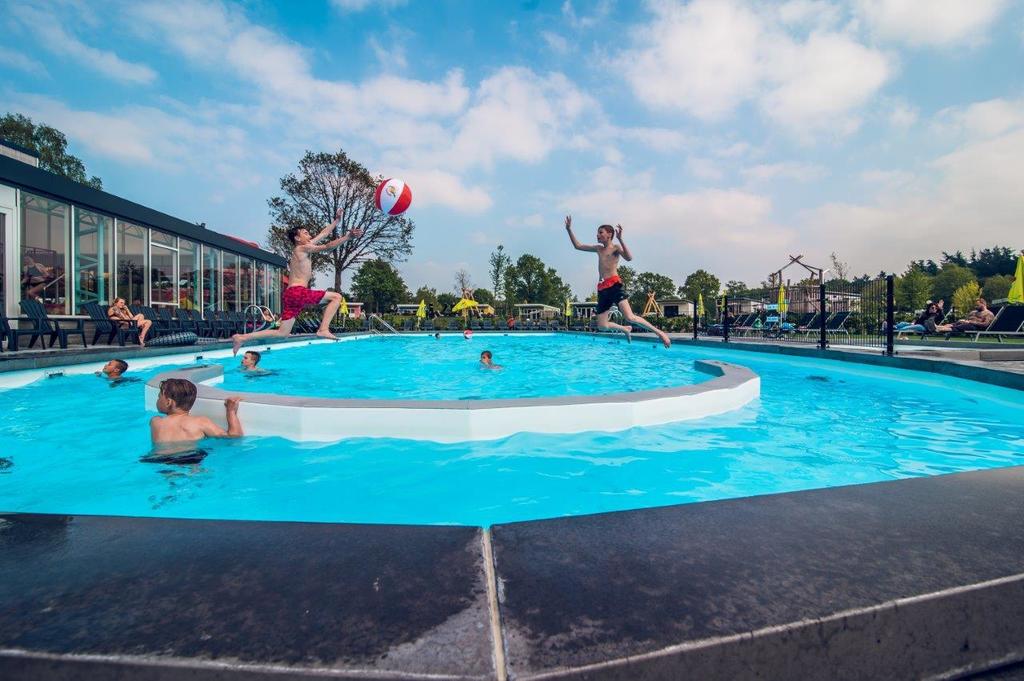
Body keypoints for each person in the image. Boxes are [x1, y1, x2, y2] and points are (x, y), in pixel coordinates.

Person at [232, 208, 363, 355]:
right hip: (298, 292)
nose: (310, 234)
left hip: (291, 294)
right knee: (336, 297)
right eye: (305, 233)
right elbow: (327, 247)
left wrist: (336, 221)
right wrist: (347, 237)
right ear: (297, 238)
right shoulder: (302, 248)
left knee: (282, 333)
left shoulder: (304, 247)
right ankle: (323, 329)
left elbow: (324, 234)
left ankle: (242, 337)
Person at [564, 216, 671, 347]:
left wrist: (621, 239)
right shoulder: (599, 249)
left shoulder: (616, 248)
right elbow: (578, 246)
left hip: (615, 285)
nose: (597, 235)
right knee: (602, 326)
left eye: (600, 232)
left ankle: (659, 333)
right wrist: (569, 229)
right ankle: (625, 329)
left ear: (609, 234)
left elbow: (629, 258)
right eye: (597, 233)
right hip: (602, 289)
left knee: (630, 317)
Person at [150, 378, 243, 446]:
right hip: (189, 459)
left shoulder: (155, 422)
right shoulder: (200, 422)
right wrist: (230, 411)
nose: (157, 400)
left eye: (159, 397)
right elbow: (234, 436)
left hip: (157, 459)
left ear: (168, 402)